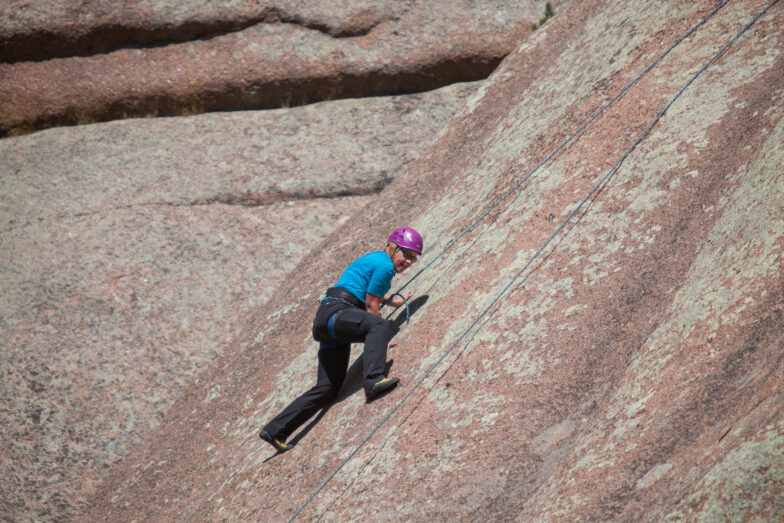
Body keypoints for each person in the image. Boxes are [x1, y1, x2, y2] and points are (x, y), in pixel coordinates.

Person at [259, 227, 423, 452]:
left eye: (413, 259)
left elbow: (372, 294)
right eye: (406, 254)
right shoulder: (384, 264)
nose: (408, 262)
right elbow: (370, 305)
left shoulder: (377, 261)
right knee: (379, 325)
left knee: (327, 388)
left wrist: (394, 302)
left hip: (328, 323)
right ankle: (373, 380)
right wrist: (382, 340)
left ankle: (276, 429)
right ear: (393, 247)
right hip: (337, 313)